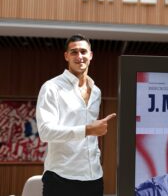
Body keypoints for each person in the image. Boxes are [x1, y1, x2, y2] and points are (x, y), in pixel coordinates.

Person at [36, 34, 116, 196]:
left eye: (83, 52)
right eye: (74, 52)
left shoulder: (96, 91)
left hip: (93, 177)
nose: (79, 56)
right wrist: (86, 130)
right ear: (66, 56)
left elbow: (91, 139)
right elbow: (45, 132)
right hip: (61, 177)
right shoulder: (51, 87)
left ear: (90, 55)